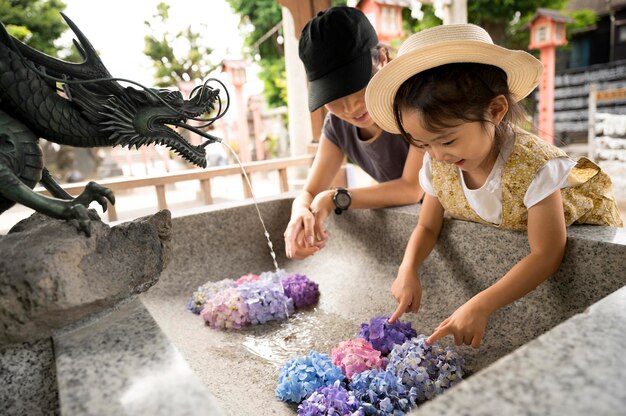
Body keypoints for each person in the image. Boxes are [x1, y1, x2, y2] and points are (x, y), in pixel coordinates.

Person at [365, 24, 623, 348]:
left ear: (496, 110)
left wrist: (481, 304)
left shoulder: (536, 168)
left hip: (592, 242)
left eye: (447, 140)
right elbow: (428, 225)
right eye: (422, 144)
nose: (438, 156)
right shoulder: (438, 163)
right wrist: (408, 267)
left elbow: (547, 253)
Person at [284, 7, 425, 260]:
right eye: (335, 98)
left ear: (382, 58)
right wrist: (299, 211)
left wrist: (335, 199)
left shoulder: (414, 104)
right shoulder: (338, 126)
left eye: (358, 88)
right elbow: (310, 191)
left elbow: (412, 188)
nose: (351, 109)